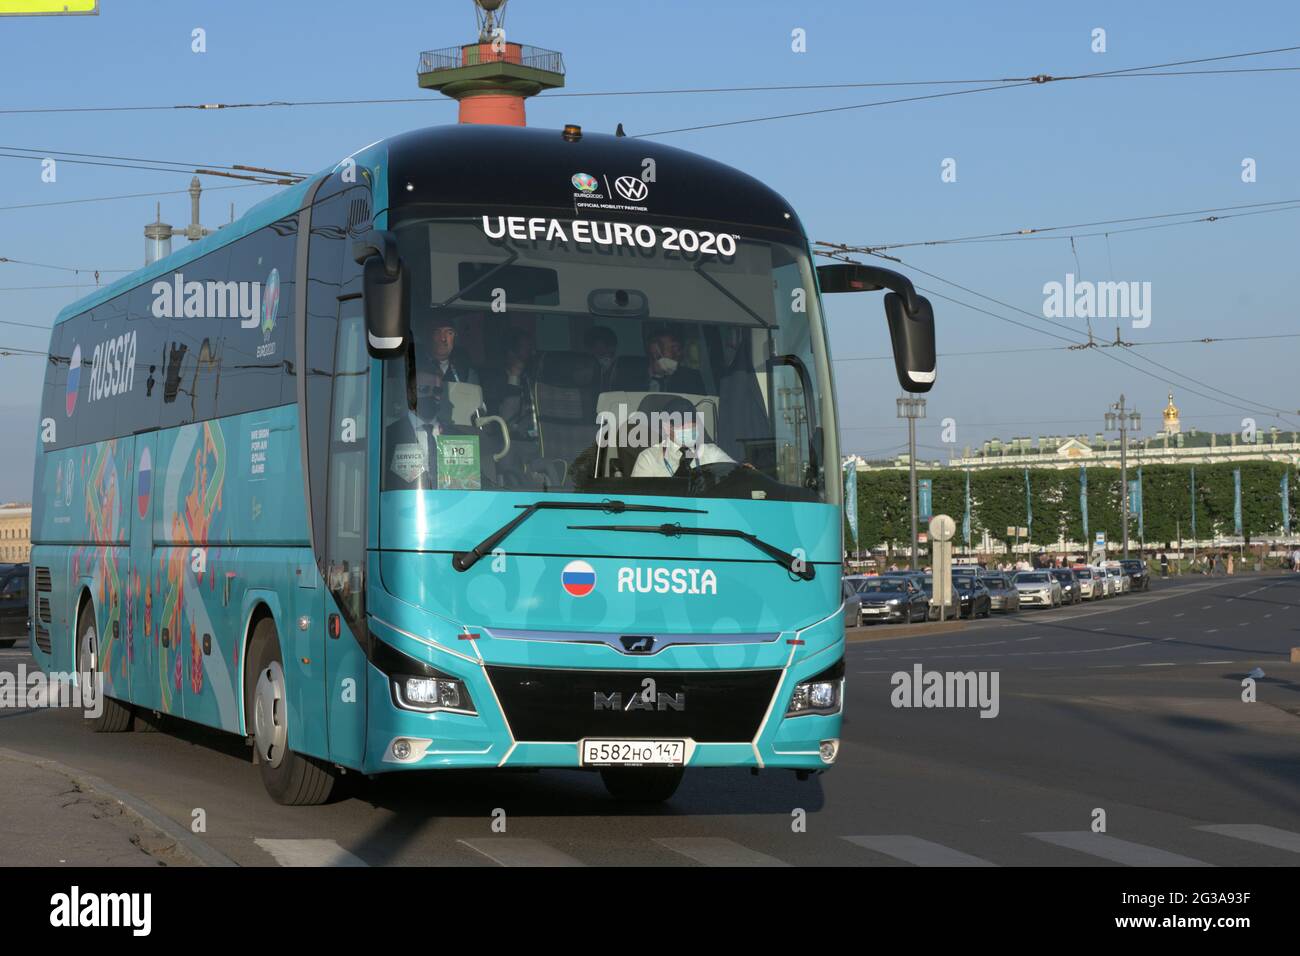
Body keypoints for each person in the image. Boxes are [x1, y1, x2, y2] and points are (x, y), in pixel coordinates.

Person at [384, 365, 454, 491]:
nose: (431, 395)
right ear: (411, 393)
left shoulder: (457, 436)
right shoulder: (388, 437)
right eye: (424, 389)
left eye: (437, 391)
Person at [631, 395, 733, 477]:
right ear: (667, 428)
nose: (690, 433)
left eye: (693, 427)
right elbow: (638, 499)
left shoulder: (711, 452)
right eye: (684, 428)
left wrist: (743, 471)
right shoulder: (648, 459)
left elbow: (735, 475)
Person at [631, 327, 706, 394]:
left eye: (679, 349)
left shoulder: (691, 379)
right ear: (655, 349)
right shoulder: (630, 380)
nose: (679, 353)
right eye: (674, 347)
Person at [583, 325, 620, 393]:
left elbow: (623, 402)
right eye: (600, 355)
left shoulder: (622, 375)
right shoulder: (582, 375)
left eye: (610, 355)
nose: (605, 360)